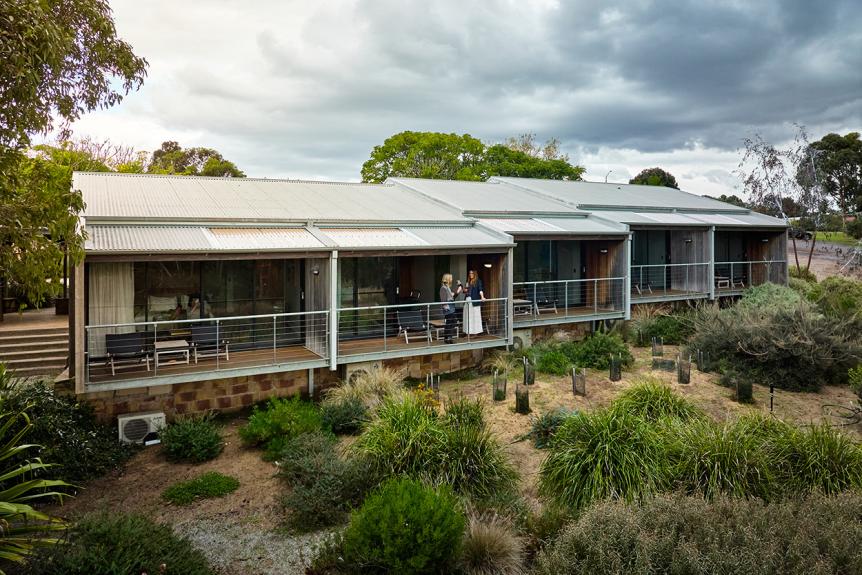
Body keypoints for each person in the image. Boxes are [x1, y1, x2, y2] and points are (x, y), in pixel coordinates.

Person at [439, 274, 462, 344]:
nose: (452, 279)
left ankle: (448, 337)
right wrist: (446, 308)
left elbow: (452, 297)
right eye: (451, 278)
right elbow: (443, 299)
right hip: (448, 308)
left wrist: (459, 288)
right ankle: (448, 338)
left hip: (451, 307)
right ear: (448, 279)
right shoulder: (443, 288)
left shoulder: (447, 287)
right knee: (450, 322)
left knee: (452, 322)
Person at [463, 269, 485, 335]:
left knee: (475, 316)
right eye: (470, 273)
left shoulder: (478, 281)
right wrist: (464, 290)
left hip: (474, 300)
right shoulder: (468, 281)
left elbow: (480, 290)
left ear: (475, 274)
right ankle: (468, 332)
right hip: (467, 299)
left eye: (472, 273)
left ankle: (475, 332)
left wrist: (482, 297)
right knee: (467, 316)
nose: (470, 274)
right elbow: (466, 291)